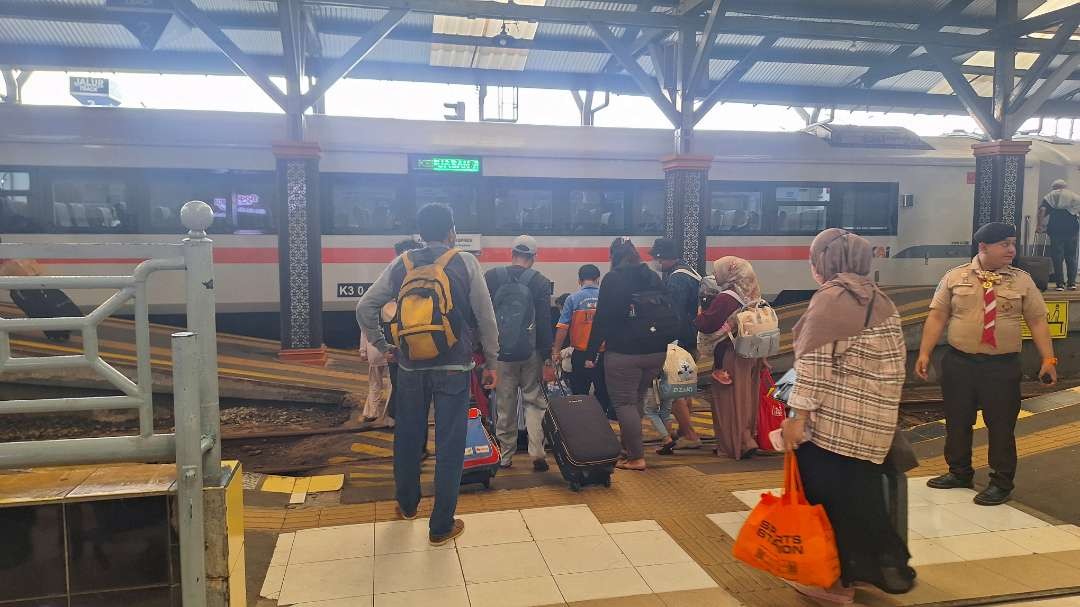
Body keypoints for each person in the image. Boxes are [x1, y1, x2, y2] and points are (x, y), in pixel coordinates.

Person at [781, 228, 912, 601]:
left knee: (830, 506)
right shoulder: (879, 298)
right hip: (874, 426)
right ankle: (867, 572)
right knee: (861, 502)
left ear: (823, 262)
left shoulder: (832, 300)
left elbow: (813, 369)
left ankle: (835, 585)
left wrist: (798, 421)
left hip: (834, 428)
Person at [355, 204, 499, 545]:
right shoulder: (465, 262)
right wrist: (492, 361)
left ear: (420, 233)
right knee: (450, 444)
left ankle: (407, 507)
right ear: (451, 230)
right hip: (455, 368)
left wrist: (383, 343)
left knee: (407, 438)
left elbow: (365, 307)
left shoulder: (402, 263)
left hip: (409, 368)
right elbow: (486, 316)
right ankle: (441, 526)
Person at [916, 222, 1057, 506]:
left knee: (1001, 425)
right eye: (1004, 244)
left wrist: (1048, 359)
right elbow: (937, 317)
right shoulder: (955, 277)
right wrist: (924, 353)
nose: (1012, 250)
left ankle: (1001, 482)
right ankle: (959, 472)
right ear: (983, 247)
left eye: (1013, 244)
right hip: (959, 363)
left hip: (1001, 366)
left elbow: (1038, 320)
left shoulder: (1021, 280)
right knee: (957, 421)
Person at [585, 238, 669, 471]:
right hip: (656, 351)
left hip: (624, 352)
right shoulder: (652, 276)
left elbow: (602, 319)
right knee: (637, 399)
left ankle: (636, 457)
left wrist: (590, 353)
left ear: (613, 256)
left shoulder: (614, 279)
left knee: (624, 403)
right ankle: (627, 449)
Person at [485, 235, 554, 472]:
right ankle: (537, 452)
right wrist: (547, 354)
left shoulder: (492, 277)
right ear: (533, 258)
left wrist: (484, 352)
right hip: (531, 352)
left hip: (500, 353)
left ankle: (505, 456)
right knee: (533, 400)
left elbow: (483, 317)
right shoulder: (540, 282)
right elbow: (544, 321)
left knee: (505, 403)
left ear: (511, 252)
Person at [696, 256, 762, 460]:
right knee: (745, 399)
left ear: (730, 273)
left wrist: (700, 311)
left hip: (729, 355)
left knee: (727, 401)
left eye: (718, 270)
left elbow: (705, 324)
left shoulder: (726, 297)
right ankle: (746, 439)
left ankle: (731, 445)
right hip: (749, 354)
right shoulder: (752, 296)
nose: (715, 275)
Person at [649, 237, 704, 454]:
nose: (654, 261)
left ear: (662, 258)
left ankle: (690, 434)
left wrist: (664, 338)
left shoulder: (677, 280)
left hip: (678, 342)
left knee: (676, 390)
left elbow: (673, 314)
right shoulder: (690, 272)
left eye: (655, 257)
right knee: (686, 387)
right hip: (691, 338)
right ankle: (684, 431)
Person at [552, 264, 614, 418]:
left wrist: (556, 351)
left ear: (579, 281)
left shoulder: (572, 299)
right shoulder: (607, 298)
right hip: (604, 354)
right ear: (598, 279)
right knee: (603, 392)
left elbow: (563, 327)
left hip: (580, 354)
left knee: (580, 393)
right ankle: (601, 422)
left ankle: (584, 423)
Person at [1038, 179, 1080, 291]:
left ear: (1055, 187)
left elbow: (1042, 210)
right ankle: (1071, 283)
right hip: (1072, 229)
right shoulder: (1074, 196)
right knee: (1071, 257)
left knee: (1057, 257)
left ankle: (1059, 284)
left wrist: (1039, 225)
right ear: (1065, 186)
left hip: (1056, 229)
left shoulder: (1051, 195)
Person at [359, 327, 392, 428]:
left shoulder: (368, 314)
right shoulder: (392, 312)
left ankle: (371, 413)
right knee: (393, 386)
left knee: (374, 384)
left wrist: (363, 351)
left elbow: (364, 332)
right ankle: (389, 415)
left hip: (373, 351)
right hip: (390, 352)